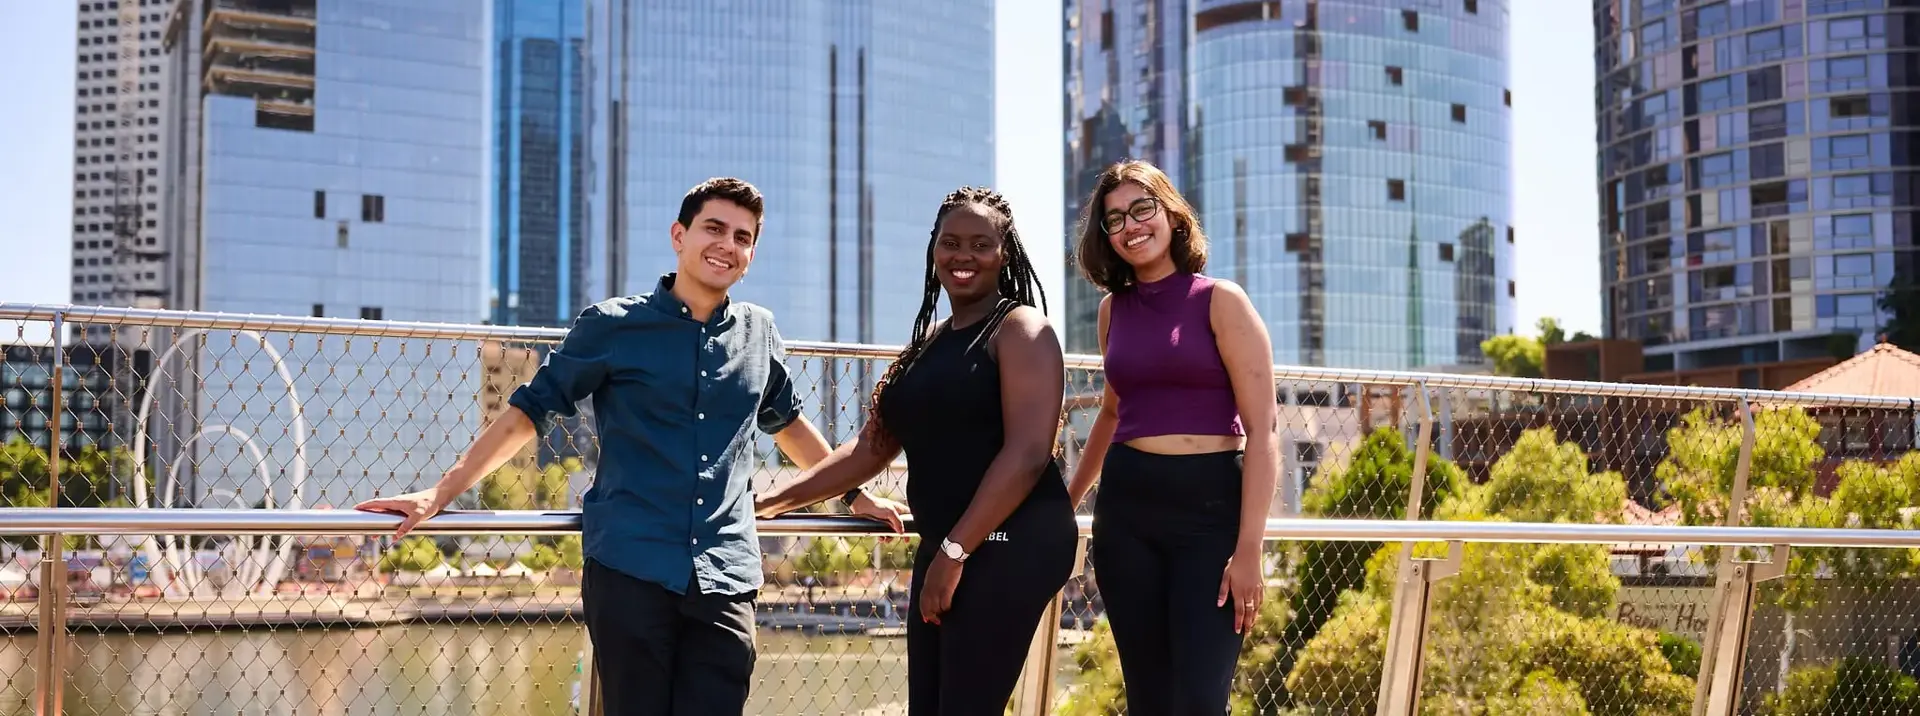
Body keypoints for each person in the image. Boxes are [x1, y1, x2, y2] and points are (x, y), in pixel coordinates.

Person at [352, 177, 907, 716]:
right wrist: (440, 494)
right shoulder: (613, 325)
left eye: (743, 237)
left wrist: (856, 498)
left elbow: (788, 425)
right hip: (631, 569)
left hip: (726, 574)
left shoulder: (760, 332)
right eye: (714, 228)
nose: (728, 245)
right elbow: (528, 413)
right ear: (678, 236)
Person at [754, 187, 1077, 715]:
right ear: (934, 250)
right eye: (950, 243)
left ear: (1006, 253)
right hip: (949, 542)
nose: (963, 256)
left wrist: (954, 553)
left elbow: (1028, 455)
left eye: (980, 244)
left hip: (1010, 542)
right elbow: (868, 450)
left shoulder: (1022, 330)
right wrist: (769, 504)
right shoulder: (928, 343)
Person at [1065, 160, 1279, 715]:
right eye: (1115, 219)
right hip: (1128, 511)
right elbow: (1112, 413)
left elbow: (1263, 431)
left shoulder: (1220, 300)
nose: (1132, 226)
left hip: (1210, 513)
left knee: (1201, 700)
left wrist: (1250, 549)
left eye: (1143, 209)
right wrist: (1065, 500)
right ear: (1106, 238)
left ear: (1172, 215)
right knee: (1150, 699)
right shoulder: (1113, 311)